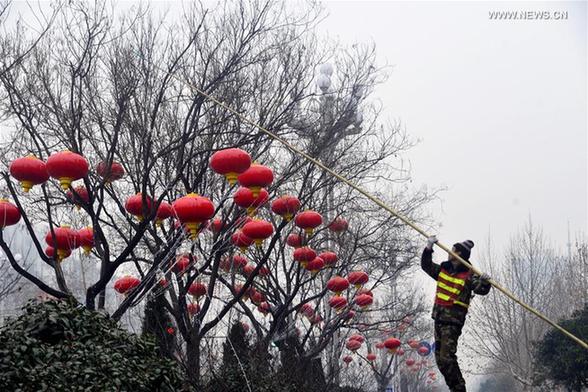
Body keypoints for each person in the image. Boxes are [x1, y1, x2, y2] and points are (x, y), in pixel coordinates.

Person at [421, 236, 491, 392]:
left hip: (453, 322)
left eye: (452, 250)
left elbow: (480, 289)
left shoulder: (469, 274)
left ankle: (459, 389)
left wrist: (486, 282)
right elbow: (426, 265)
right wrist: (428, 248)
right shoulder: (443, 269)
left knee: (447, 358)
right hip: (438, 318)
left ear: (458, 254)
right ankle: (455, 387)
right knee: (440, 360)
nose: (449, 252)